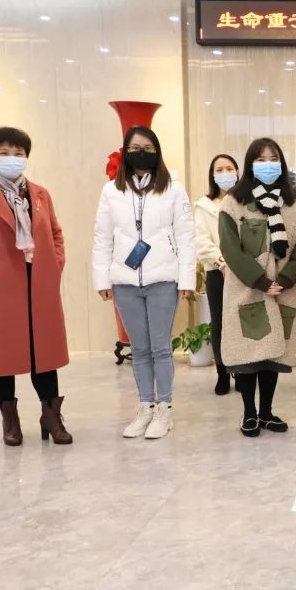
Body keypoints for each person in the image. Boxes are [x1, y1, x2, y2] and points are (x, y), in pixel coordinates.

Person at [0, 127, 72, 446]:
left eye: (18, 153)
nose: (12, 158)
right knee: (2, 352)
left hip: (39, 283)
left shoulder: (40, 194)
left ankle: (51, 416)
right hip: (1, 286)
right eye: (4, 153)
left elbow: (56, 234)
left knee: (43, 351)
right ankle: (10, 419)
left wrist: (55, 263)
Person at [93, 126, 196, 440]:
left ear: (157, 152)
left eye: (148, 148)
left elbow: (186, 236)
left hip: (163, 278)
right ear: (126, 152)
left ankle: (164, 409)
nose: (141, 153)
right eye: (135, 148)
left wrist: (186, 278)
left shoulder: (173, 189)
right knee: (138, 349)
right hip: (124, 281)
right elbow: (102, 237)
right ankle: (145, 407)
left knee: (161, 348)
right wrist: (102, 277)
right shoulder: (111, 191)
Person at [218, 138, 296, 437]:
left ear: (282, 165)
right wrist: (260, 281)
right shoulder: (233, 202)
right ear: (249, 165)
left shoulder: (294, 204)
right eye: (260, 160)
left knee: (273, 356)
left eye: (273, 159)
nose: (267, 165)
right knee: (248, 354)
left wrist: (284, 280)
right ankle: (249, 413)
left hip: (283, 290)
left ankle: (267, 412)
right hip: (247, 291)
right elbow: (231, 249)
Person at [195, 153, 240, 396]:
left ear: (238, 172)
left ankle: (242, 371)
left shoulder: (246, 202)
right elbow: (201, 241)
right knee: (220, 323)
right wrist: (222, 262)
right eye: (219, 170)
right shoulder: (203, 206)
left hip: (244, 273)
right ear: (212, 175)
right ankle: (222, 372)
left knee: (242, 322)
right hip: (217, 273)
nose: (225, 173)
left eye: (229, 168)